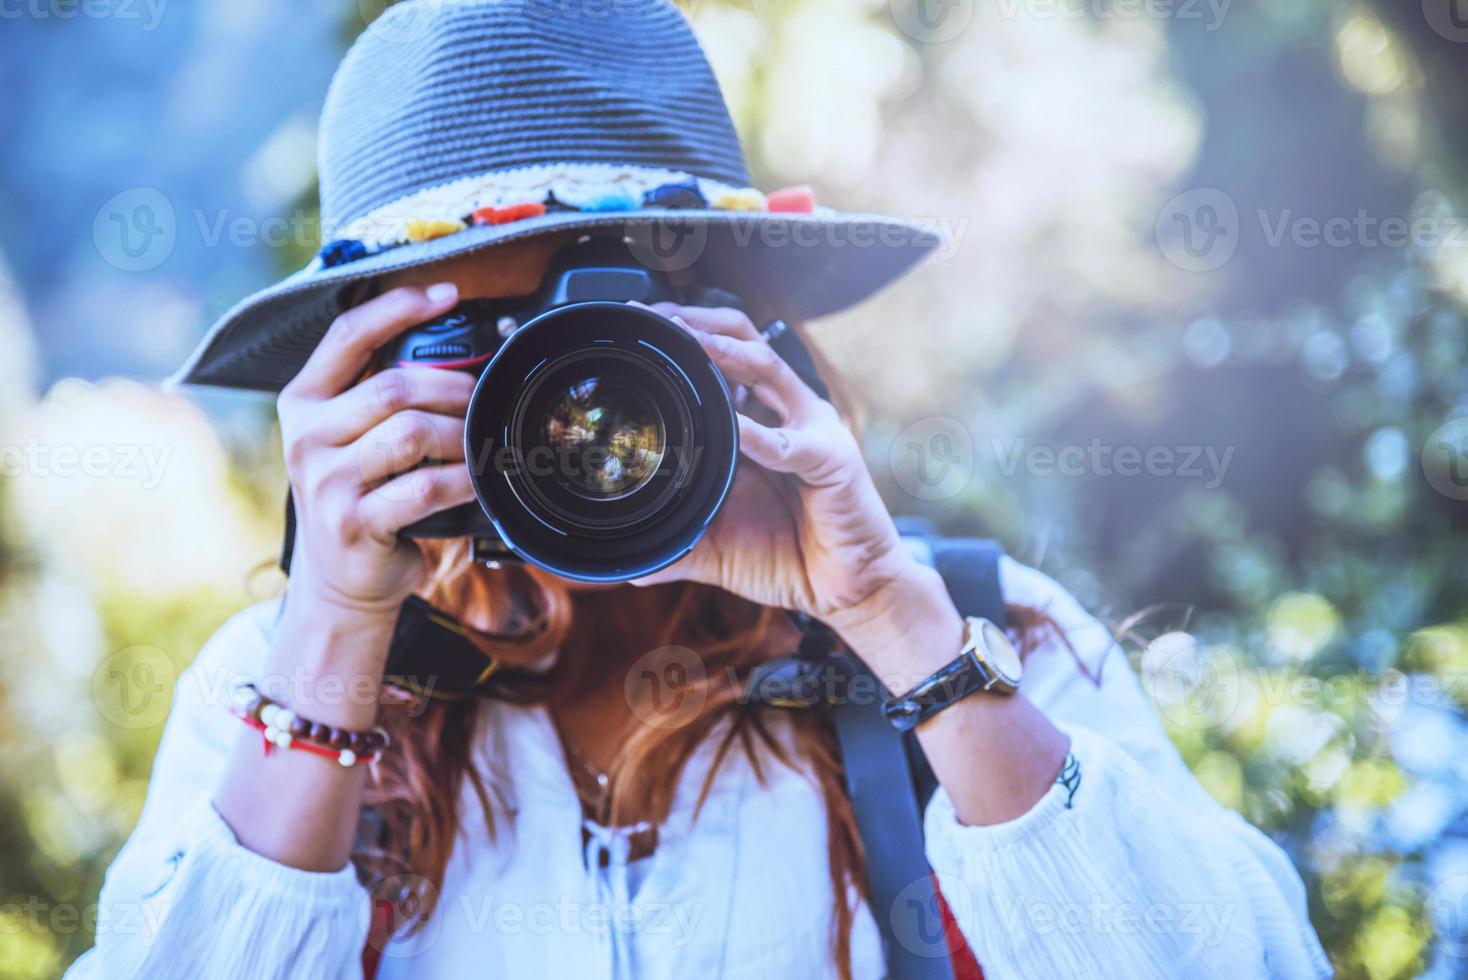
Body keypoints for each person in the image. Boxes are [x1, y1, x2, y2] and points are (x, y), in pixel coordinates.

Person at [68, 2, 1329, 977]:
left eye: (614, 334)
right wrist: (333, 646)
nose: (566, 403)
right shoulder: (273, 688)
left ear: (742, 323)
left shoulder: (979, 630)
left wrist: (894, 621)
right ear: (362, 370)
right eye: (487, 344)